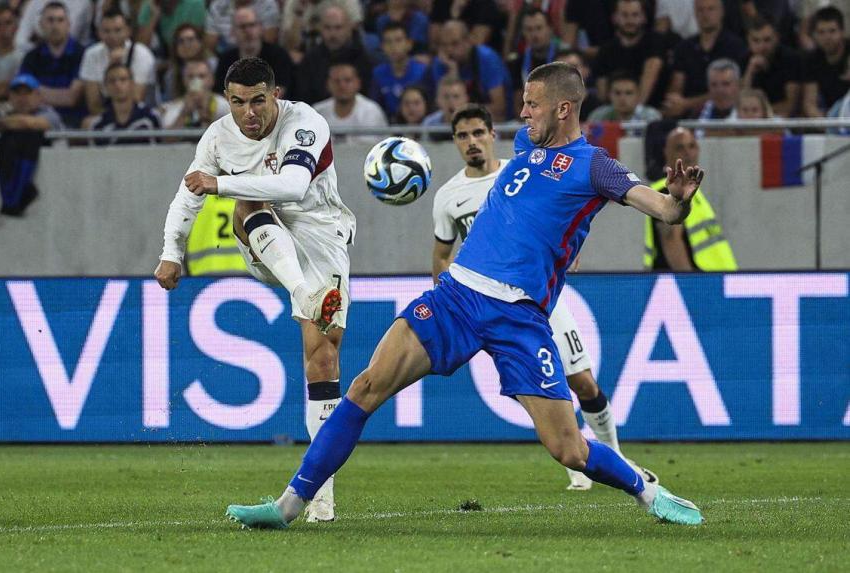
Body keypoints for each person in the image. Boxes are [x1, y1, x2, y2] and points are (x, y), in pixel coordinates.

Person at [225, 61, 706, 529]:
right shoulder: (524, 145)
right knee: (366, 387)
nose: (523, 114)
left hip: (519, 316)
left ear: (564, 109)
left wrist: (678, 200)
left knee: (569, 450)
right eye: (523, 103)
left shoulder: (595, 166)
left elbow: (663, 210)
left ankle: (649, 492)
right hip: (457, 297)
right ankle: (289, 505)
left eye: (532, 105)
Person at [155, 57, 355, 523]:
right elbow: (188, 195)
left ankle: (322, 497)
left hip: (322, 235)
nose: (248, 112)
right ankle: (305, 294)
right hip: (269, 243)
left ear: (276, 95)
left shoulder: (305, 122)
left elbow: (293, 184)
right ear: (228, 100)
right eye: (238, 102)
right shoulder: (218, 136)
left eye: (258, 101)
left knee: (322, 357)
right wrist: (171, 251)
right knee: (246, 206)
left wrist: (218, 183)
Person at [433, 104, 659, 491]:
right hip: (481, 302)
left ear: (491, 134)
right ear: (455, 143)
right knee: (530, 388)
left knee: (583, 383)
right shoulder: (448, 196)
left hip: (539, 298)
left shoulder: (523, 168)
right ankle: (578, 459)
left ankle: (615, 457)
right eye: (462, 136)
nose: (471, 142)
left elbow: (563, 210)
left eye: (477, 133)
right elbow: (440, 256)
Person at [644, 127, 736, 271]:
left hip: (712, 281)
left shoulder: (692, 191)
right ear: (666, 152)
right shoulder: (666, 191)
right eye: (680, 148)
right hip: (688, 285)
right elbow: (671, 241)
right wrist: (690, 285)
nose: (688, 153)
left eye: (692, 146)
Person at [0, 73, 62, 216]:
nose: (22, 98)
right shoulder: (3, 112)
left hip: (56, 183)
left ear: (38, 96)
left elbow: (31, 123)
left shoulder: (49, 113)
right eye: (17, 93)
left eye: (27, 93)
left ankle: (15, 195)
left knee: (28, 133)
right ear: (10, 96)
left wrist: (0, 123)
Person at [663, 0, 748, 119]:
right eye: (700, 10)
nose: (705, 14)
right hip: (687, 117)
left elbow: (734, 90)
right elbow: (677, 85)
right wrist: (675, 103)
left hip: (726, 114)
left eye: (710, 9)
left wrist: (687, 104)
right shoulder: (684, 48)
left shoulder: (736, 47)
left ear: (722, 12)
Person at [18, 1, 86, 128]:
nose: (55, 26)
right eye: (50, 20)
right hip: (37, 120)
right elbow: (24, 96)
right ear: (41, 24)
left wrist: (37, 91)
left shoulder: (82, 54)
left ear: (68, 24)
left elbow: (72, 98)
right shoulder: (31, 57)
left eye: (60, 20)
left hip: (74, 122)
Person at [79, 9, 156, 116]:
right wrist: (110, 66)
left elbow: (136, 99)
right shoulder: (91, 54)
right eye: (107, 31)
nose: (112, 36)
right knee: (88, 123)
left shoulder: (142, 54)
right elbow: (93, 105)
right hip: (106, 115)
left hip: (141, 115)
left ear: (128, 31)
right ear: (99, 33)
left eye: (118, 30)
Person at [431, 19, 512, 121]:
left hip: (497, 122)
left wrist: (464, 110)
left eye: (454, 43)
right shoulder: (441, 62)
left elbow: (499, 107)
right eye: (444, 45)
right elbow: (442, 105)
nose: (449, 50)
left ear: (468, 41)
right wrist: (453, 72)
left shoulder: (487, 58)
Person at [295, 1, 374, 105]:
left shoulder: (363, 58)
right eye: (327, 28)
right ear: (320, 29)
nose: (332, 34)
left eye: (338, 28)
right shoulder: (310, 59)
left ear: (349, 28)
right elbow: (302, 96)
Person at [593, 0, 667, 108]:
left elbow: (650, 75)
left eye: (635, 15)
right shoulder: (605, 50)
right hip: (615, 113)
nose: (630, 20)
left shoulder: (655, 42)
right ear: (614, 18)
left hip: (652, 111)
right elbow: (603, 94)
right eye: (624, 15)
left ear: (644, 18)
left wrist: (634, 115)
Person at [213, 7, 294, 99]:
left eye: (252, 25)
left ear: (260, 28)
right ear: (233, 32)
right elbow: (221, 94)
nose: (248, 31)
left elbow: (280, 91)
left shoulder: (278, 55)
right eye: (242, 27)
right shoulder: (226, 59)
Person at [740, 15, 801, 118]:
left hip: (782, 122)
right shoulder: (745, 59)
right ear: (748, 40)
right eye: (756, 40)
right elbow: (739, 104)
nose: (761, 47)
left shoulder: (790, 59)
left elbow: (790, 107)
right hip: (753, 120)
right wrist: (749, 72)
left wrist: (759, 112)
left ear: (776, 38)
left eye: (767, 40)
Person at [85, 63, 161, 144]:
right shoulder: (98, 125)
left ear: (132, 83)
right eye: (112, 81)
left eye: (123, 79)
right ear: (105, 87)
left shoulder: (151, 117)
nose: (117, 85)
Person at [313, 62, 388, 144]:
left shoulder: (371, 111)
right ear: (328, 84)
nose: (342, 86)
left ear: (358, 83)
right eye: (336, 81)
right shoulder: (317, 112)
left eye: (347, 80)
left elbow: (369, 148)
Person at [371, 21, 429, 120]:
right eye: (388, 42)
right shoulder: (378, 74)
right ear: (382, 46)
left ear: (409, 44)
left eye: (398, 40)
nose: (393, 46)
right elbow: (375, 108)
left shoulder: (423, 71)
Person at [801, 6, 850, 118]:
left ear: (842, 32)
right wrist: (830, 126)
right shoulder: (811, 60)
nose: (827, 37)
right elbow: (809, 104)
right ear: (814, 35)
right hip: (829, 119)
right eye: (821, 32)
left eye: (832, 31)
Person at [159, 58, 230, 128]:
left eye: (201, 76)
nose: (196, 81)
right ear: (184, 80)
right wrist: (184, 113)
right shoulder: (174, 107)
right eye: (191, 77)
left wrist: (206, 112)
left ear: (211, 80)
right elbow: (168, 138)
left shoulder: (225, 105)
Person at [587, 70, 662, 124]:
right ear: (609, 95)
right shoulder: (597, 116)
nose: (622, 98)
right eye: (617, 93)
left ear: (638, 95)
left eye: (629, 93)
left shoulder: (652, 118)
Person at [204, 0, 279, 53]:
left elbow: (269, 41)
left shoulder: (268, 4)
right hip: (226, 55)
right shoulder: (217, 5)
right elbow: (210, 44)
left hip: (260, 55)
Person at [0, 2, 25, 103]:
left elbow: (12, 88)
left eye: (8, 23)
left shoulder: (24, 57)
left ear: (16, 27)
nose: (3, 29)